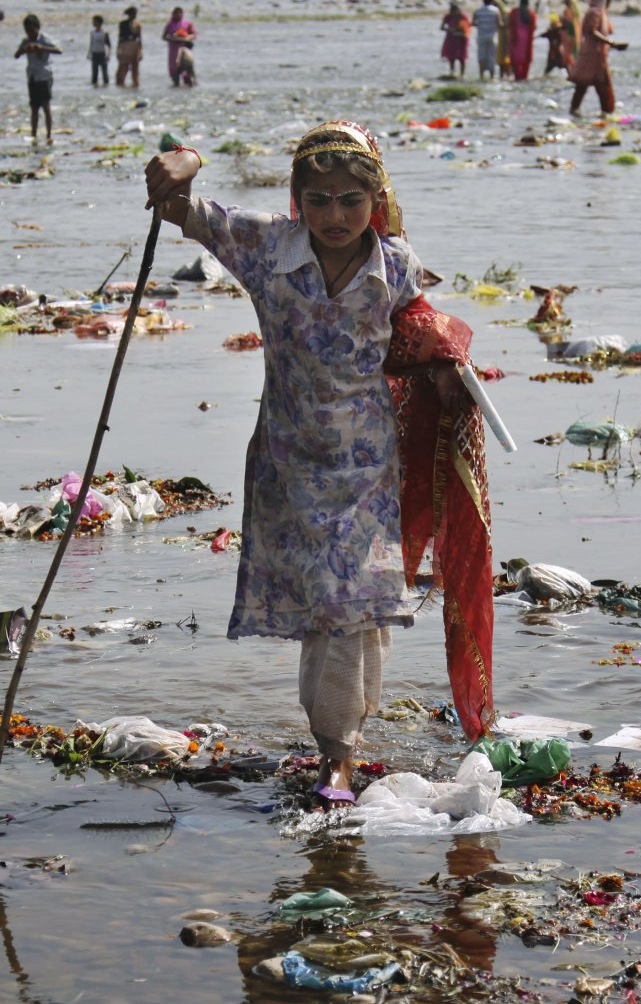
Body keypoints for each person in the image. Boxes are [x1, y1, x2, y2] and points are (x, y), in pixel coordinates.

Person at [142, 123, 497, 807]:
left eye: (351, 200)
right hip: (290, 460)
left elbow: (416, 325)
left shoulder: (395, 263)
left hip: (368, 464)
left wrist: (445, 366)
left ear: (376, 200)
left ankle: (338, 757)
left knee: (353, 602)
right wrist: (185, 161)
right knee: (330, 607)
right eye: (320, 199)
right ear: (297, 199)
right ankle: (339, 736)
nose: (335, 215)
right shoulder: (267, 245)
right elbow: (179, 209)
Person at [567, 0, 628, 118]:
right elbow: (592, 31)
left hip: (598, 54)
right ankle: (606, 112)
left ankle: (604, 112)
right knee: (591, 83)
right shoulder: (595, 13)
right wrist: (612, 43)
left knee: (594, 84)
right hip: (592, 55)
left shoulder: (601, 14)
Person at [14, 14, 60, 146]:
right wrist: (24, 49)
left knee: (46, 106)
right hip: (32, 76)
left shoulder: (44, 39)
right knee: (34, 108)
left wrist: (42, 48)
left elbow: (58, 50)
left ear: (37, 28)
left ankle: (49, 134)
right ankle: (33, 134)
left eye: (31, 30)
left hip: (44, 76)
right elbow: (16, 55)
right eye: (27, 31)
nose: (29, 33)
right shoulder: (26, 41)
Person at [162, 6, 196, 88]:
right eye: (175, 13)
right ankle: (176, 85)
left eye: (179, 13)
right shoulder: (169, 24)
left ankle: (188, 84)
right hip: (174, 49)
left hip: (185, 48)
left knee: (187, 68)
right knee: (174, 69)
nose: (177, 15)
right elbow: (164, 37)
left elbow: (194, 34)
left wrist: (187, 38)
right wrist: (172, 38)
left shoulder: (187, 23)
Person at [508, 0, 537, 81]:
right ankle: (524, 78)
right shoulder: (531, 14)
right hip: (527, 40)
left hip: (516, 39)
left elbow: (509, 23)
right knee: (525, 62)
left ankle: (517, 78)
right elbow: (534, 27)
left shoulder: (514, 12)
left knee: (515, 61)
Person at [473, 0, 501, 79]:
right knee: (492, 56)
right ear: (492, 1)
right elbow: (499, 23)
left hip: (481, 36)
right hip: (492, 36)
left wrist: (481, 25)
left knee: (481, 56)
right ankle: (492, 76)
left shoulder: (478, 11)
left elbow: (473, 23)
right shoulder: (496, 10)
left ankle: (481, 76)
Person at [439, 1, 470, 79]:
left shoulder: (463, 17)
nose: (453, 14)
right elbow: (442, 27)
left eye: (455, 11)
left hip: (461, 39)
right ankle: (452, 73)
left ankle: (462, 74)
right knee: (451, 57)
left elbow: (467, 28)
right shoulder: (448, 16)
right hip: (451, 38)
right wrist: (449, 29)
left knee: (462, 57)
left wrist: (460, 31)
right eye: (452, 12)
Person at [115, 6, 142, 88]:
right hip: (125, 45)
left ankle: (135, 83)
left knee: (135, 67)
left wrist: (141, 50)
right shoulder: (122, 24)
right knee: (124, 66)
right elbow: (120, 38)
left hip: (134, 45)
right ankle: (120, 83)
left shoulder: (138, 24)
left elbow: (139, 38)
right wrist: (118, 49)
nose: (135, 15)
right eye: (133, 13)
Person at [88, 15, 111, 87]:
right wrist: (89, 53)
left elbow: (109, 45)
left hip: (102, 54)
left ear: (98, 22)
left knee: (105, 73)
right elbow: (91, 43)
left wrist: (108, 55)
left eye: (94, 21)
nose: (93, 23)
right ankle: (94, 86)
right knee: (94, 73)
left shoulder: (104, 33)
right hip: (94, 54)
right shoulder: (92, 32)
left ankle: (106, 86)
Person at [560, 0, 583, 65]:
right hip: (577, 36)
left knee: (569, 57)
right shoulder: (578, 13)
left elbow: (565, 23)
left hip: (569, 36)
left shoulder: (567, 11)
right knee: (575, 55)